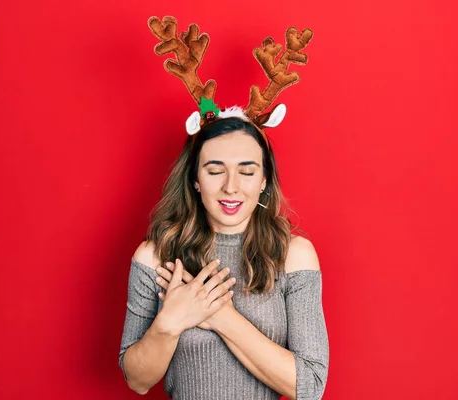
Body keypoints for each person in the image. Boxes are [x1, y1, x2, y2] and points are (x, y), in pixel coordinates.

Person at [118, 16, 329, 400]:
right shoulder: (155, 255)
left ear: (264, 179)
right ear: (195, 179)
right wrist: (169, 322)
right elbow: (137, 380)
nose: (231, 186)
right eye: (215, 170)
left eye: (247, 171)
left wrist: (218, 314)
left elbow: (310, 386)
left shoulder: (294, 255)